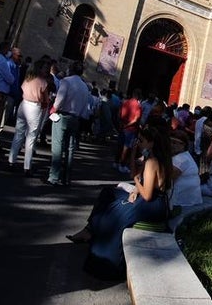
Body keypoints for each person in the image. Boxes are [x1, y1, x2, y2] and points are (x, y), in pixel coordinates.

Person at [67, 125, 173, 281]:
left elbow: (148, 194)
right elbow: (136, 175)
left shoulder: (152, 161)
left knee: (116, 213)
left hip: (153, 205)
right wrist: (134, 156)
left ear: (151, 143)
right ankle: (91, 232)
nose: (139, 142)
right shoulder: (153, 157)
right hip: (152, 201)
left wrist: (137, 182)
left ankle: (108, 263)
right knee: (109, 195)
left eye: (141, 140)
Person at [46, 61, 92, 186]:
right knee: (70, 148)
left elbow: (59, 99)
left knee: (57, 146)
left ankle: (54, 176)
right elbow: (85, 106)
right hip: (76, 118)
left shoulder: (66, 81)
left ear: (70, 69)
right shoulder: (84, 86)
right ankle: (67, 177)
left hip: (62, 115)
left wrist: (53, 109)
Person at [7, 58, 55, 176]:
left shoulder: (28, 79)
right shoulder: (43, 82)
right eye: (45, 69)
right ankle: (27, 166)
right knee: (31, 137)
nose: (47, 71)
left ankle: (11, 160)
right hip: (35, 107)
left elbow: (22, 89)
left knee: (18, 134)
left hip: (23, 104)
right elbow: (45, 99)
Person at [169, 129, 203, 210]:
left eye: (174, 143)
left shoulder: (181, 159)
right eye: (170, 142)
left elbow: (168, 178)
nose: (171, 145)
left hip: (183, 200)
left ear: (183, 145)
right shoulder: (184, 156)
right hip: (190, 198)